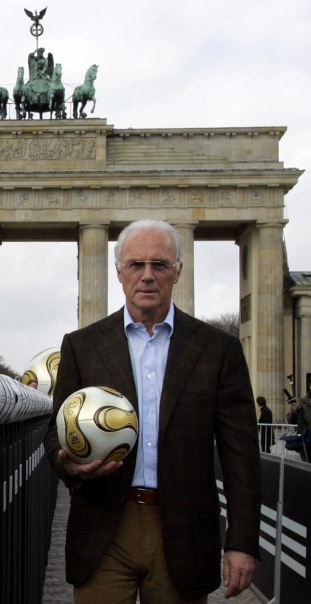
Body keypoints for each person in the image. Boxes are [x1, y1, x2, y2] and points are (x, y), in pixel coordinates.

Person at [45, 219, 262, 602]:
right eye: (136, 264)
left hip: (183, 529)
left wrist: (242, 542)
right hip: (104, 527)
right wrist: (70, 465)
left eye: (160, 264)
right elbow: (53, 436)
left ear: (178, 271)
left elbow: (240, 454)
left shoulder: (218, 350)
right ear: (119, 272)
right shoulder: (82, 346)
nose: (147, 276)